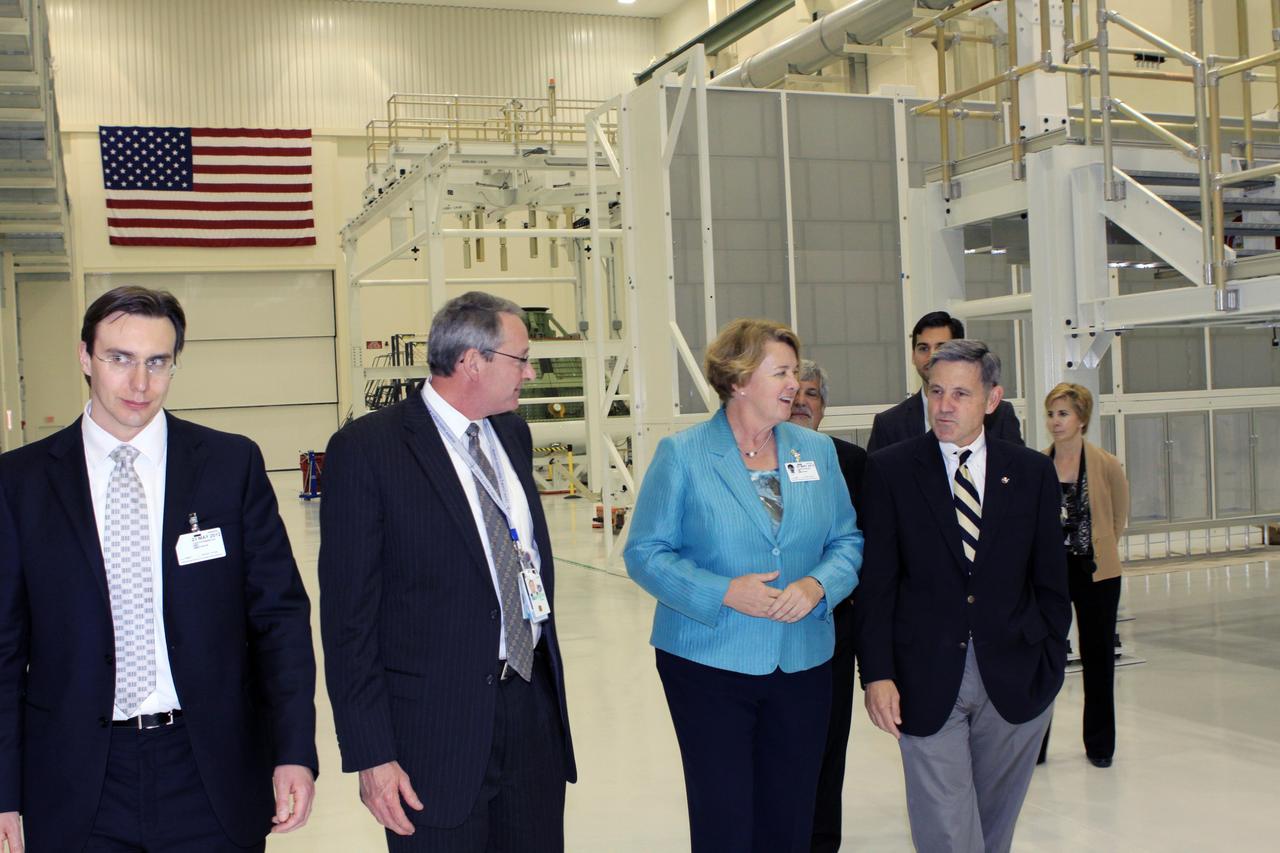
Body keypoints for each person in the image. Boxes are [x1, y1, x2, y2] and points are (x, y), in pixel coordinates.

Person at [0, 286, 318, 852]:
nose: (139, 384)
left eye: (157, 362)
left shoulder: (228, 465)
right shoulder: (20, 483)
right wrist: (3, 789)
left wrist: (293, 751)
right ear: (84, 358)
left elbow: (280, 619)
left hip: (208, 771)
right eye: (119, 359)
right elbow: (2, 647)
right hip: (75, 781)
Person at [319, 291, 575, 852]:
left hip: (529, 710)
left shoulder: (512, 433)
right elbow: (348, 620)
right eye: (521, 358)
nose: (530, 373)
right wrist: (372, 753)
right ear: (471, 361)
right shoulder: (369, 449)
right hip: (433, 733)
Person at [625, 319, 862, 853]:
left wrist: (818, 586)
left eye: (795, 373)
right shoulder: (682, 455)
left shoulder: (816, 452)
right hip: (708, 664)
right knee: (725, 818)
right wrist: (724, 591)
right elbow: (644, 554)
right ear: (737, 381)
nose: (793, 386)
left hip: (803, 662)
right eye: (780, 372)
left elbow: (848, 541)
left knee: (792, 814)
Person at [854, 340, 1070, 853]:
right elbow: (877, 582)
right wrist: (877, 674)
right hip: (924, 674)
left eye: (960, 393)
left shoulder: (1032, 473)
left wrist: (1049, 658)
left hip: (1016, 673)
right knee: (947, 826)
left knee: (994, 827)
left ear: (992, 399)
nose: (944, 405)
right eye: (935, 391)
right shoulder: (890, 470)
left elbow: (1051, 580)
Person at [789, 359, 866, 853]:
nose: (801, 403)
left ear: (825, 407)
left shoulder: (853, 463)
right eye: (793, 392)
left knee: (828, 743)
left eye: (812, 394)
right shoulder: (750, 457)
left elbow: (865, 546)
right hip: (767, 630)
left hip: (834, 630)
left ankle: (821, 841)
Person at [1043, 383, 1129, 768]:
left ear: (1081, 419)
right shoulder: (1038, 464)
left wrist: (1097, 544)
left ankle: (1100, 745)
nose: (1055, 421)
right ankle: (1036, 746)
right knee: (1044, 656)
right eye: (1051, 413)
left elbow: (1116, 518)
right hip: (1051, 573)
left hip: (1096, 572)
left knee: (1098, 657)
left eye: (1063, 414)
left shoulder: (1106, 464)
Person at [867, 311, 1023, 453]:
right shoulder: (889, 424)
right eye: (923, 348)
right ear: (913, 356)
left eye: (941, 347)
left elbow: (1016, 470)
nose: (932, 356)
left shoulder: (1000, 414)